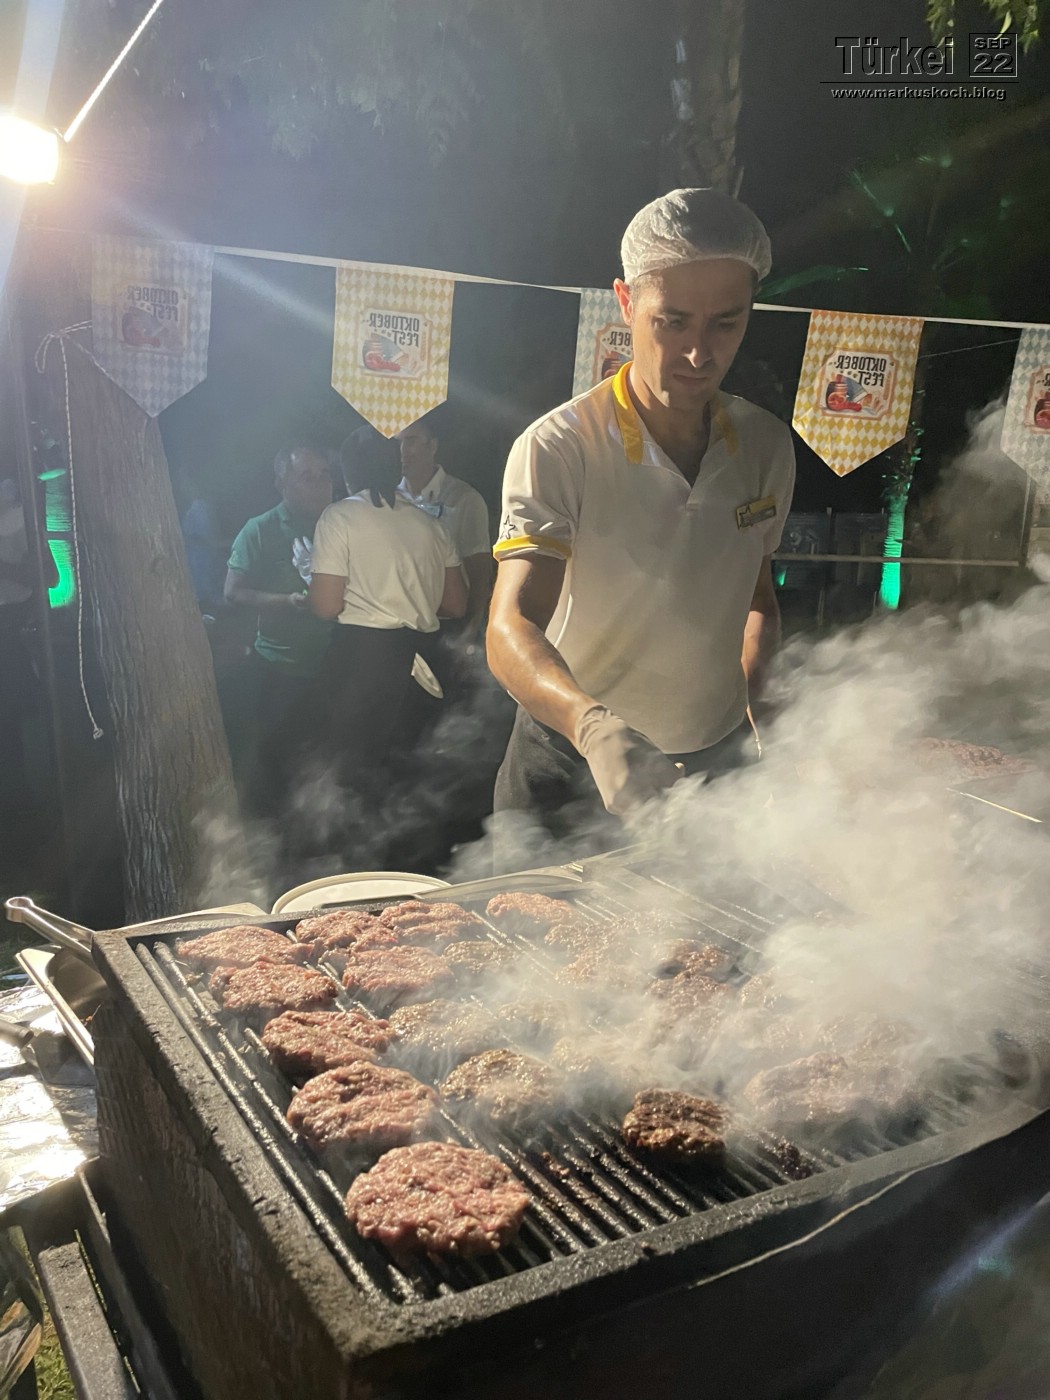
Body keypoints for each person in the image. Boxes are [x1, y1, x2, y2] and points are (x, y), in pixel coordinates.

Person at [486, 187, 795, 854]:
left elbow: (757, 598)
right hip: (572, 763)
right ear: (626, 303)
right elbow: (510, 625)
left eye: (726, 324)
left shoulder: (765, 446)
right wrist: (593, 727)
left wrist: (760, 708)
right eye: (673, 322)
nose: (698, 354)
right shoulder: (560, 448)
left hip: (713, 766)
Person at [310, 428, 467, 793]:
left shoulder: (339, 517)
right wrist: (412, 596)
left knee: (352, 777)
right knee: (409, 777)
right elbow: (456, 604)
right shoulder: (431, 524)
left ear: (348, 472)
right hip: (423, 663)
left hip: (363, 666)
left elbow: (326, 606)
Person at [224, 443, 335, 814]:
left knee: (329, 770)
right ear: (282, 483)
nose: (320, 484)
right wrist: (286, 602)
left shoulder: (344, 522)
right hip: (279, 670)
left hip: (338, 667)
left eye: (324, 475)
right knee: (280, 768)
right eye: (306, 477)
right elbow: (233, 593)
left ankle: (325, 834)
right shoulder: (261, 529)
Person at [397, 413, 492, 637]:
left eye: (411, 441)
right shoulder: (390, 499)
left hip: (448, 624)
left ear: (433, 446)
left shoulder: (463, 498)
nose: (402, 451)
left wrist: (471, 631)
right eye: (396, 443)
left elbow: (479, 572)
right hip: (399, 622)